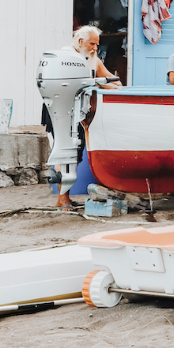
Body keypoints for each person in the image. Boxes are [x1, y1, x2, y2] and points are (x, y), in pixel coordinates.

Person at [54, 26, 120, 211]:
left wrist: (119, 87)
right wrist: (106, 85)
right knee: (64, 154)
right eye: (92, 43)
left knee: (74, 155)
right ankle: (62, 200)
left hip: (80, 112)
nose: (95, 48)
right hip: (61, 111)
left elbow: (111, 79)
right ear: (81, 41)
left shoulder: (92, 59)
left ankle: (65, 199)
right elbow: (83, 82)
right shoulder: (67, 57)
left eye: (97, 44)